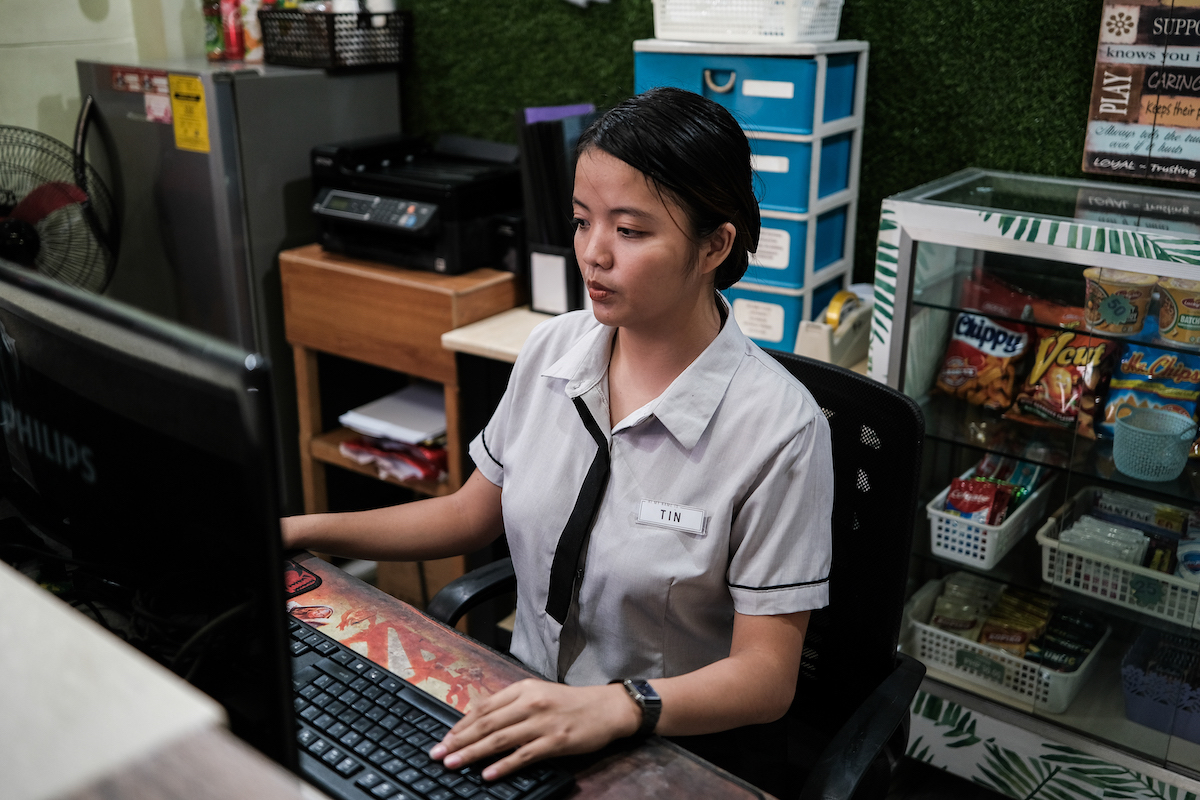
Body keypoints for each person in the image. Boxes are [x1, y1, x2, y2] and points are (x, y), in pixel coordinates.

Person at [281, 86, 833, 790]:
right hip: (527, 706)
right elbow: (467, 513)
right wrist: (302, 529)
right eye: (581, 222)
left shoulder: (780, 431)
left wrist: (614, 709)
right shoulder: (554, 349)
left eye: (630, 231)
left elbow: (765, 679)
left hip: (668, 747)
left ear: (713, 246)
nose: (593, 254)